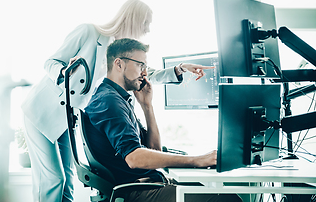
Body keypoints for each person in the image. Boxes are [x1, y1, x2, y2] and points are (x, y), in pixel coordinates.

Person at [21, 0, 214, 202]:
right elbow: (51, 61)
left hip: (66, 120)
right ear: (134, 19)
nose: (147, 30)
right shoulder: (89, 33)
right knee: (53, 180)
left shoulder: (120, 54)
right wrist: (64, 72)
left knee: (68, 182)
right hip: (41, 112)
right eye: (145, 24)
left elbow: (147, 73)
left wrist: (180, 68)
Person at [84, 38, 242, 202]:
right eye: (140, 65)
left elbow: (154, 150)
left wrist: (147, 106)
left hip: (146, 184)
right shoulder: (109, 102)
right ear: (119, 64)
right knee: (226, 199)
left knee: (221, 195)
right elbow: (134, 158)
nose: (144, 73)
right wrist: (197, 160)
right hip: (135, 192)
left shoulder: (117, 98)